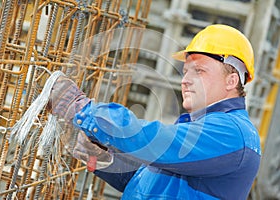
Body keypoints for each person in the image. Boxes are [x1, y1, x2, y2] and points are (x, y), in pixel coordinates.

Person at [48, 24, 261, 199]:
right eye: (186, 72)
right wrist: (103, 160)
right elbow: (152, 188)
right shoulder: (200, 129)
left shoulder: (232, 134)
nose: (185, 80)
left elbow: (154, 141)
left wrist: (83, 110)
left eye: (199, 71)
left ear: (231, 81)